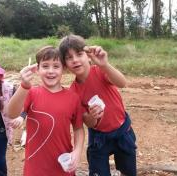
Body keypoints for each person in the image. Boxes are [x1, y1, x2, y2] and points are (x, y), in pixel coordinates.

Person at [59, 34, 137, 176]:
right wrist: (92, 116)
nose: (75, 60)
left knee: (128, 172)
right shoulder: (73, 92)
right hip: (99, 138)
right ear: (65, 65)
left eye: (79, 54)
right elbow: (88, 122)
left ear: (88, 56)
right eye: (69, 57)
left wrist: (105, 64)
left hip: (122, 131)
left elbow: (122, 83)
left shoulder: (100, 71)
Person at [7, 46, 84, 176]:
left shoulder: (73, 98)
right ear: (37, 69)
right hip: (35, 166)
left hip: (63, 164)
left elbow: (78, 128)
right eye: (45, 66)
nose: (50, 71)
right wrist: (24, 85)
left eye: (56, 66)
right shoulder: (31, 93)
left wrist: (77, 151)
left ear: (63, 69)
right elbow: (12, 113)